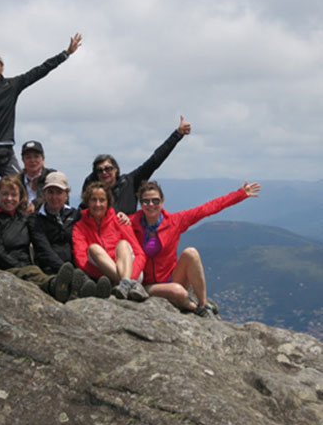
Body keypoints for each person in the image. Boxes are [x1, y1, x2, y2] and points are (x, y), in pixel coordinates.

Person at [130, 180, 261, 317]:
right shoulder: (132, 223)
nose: (151, 204)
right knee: (178, 291)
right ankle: (193, 307)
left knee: (191, 253)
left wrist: (239, 194)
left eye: (155, 200)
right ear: (141, 204)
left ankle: (203, 305)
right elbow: (114, 225)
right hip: (147, 286)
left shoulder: (174, 221)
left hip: (172, 278)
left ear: (162, 201)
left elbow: (207, 209)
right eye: (146, 201)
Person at [0, 33, 82, 179]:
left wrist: (66, 54)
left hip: (5, 150)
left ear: (1, 66)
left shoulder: (12, 85)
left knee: (18, 185)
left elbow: (40, 70)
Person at [0, 175, 94, 302]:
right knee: (35, 274)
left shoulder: (24, 219)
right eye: (5, 194)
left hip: (29, 266)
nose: (9, 198)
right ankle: (55, 285)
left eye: (14, 195)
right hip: (11, 267)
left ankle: (87, 289)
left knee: (35, 272)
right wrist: (19, 265)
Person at [81, 116, 192, 216]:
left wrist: (178, 134)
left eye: (108, 168)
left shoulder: (130, 182)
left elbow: (155, 160)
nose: (104, 172)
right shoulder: (93, 193)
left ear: (116, 169)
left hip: (129, 230)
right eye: (99, 170)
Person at [72, 182, 147, 301]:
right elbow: (81, 260)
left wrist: (131, 276)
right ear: (87, 202)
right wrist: (107, 276)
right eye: (93, 200)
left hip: (132, 273)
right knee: (94, 248)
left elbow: (140, 254)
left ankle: (125, 283)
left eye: (102, 200)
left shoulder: (119, 221)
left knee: (123, 244)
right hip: (104, 274)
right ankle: (126, 284)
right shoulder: (80, 227)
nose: (98, 204)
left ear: (108, 202)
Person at [28, 171, 80, 274]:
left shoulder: (75, 215)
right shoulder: (35, 219)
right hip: (49, 270)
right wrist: (67, 271)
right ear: (44, 194)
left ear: (66, 194)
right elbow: (43, 249)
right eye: (50, 192)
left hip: (77, 268)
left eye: (59, 192)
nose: (54, 197)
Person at [19, 140, 56, 214]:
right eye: (28, 157)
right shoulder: (17, 181)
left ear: (43, 158)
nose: (32, 161)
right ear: (23, 160)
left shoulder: (52, 177)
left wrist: (35, 203)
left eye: (36, 157)